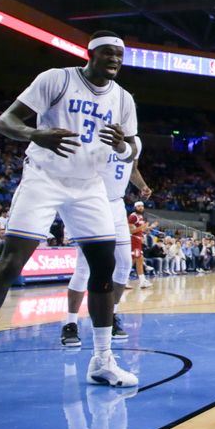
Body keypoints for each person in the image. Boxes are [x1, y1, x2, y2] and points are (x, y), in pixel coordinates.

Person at [0, 31, 139, 414]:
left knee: (104, 267)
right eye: (108, 53)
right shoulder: (56, 78)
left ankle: (102, 360)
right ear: (91, 54)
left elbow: (130, 148)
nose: (115, 60)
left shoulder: (123, 98)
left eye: (120, 55)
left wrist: (121, 146)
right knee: (10, 265)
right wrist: (35, 134)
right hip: (44, 177)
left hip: (89, 185)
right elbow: (5, 121)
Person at [62, 138, 152, 347]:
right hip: (92, 202)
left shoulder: (136, 140)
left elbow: (132, 168)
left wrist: (142, 185)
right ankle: (70, 324)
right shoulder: (94, 131)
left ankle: (111, 315)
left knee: (123, 264)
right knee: (85, 267)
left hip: (116, 204)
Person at [128, 201, 156, 288]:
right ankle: (123, 280)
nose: (140, 208)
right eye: (138, 206)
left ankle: (142, 281)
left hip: (138, 240)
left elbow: (141, 230)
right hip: (133, 240)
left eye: (142, 206)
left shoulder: (140, 217)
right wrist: (143, 226)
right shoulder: (133, 217)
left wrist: (150, 227)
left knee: (139, 260)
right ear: (135, 207)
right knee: (133, 261)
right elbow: (131, 231)